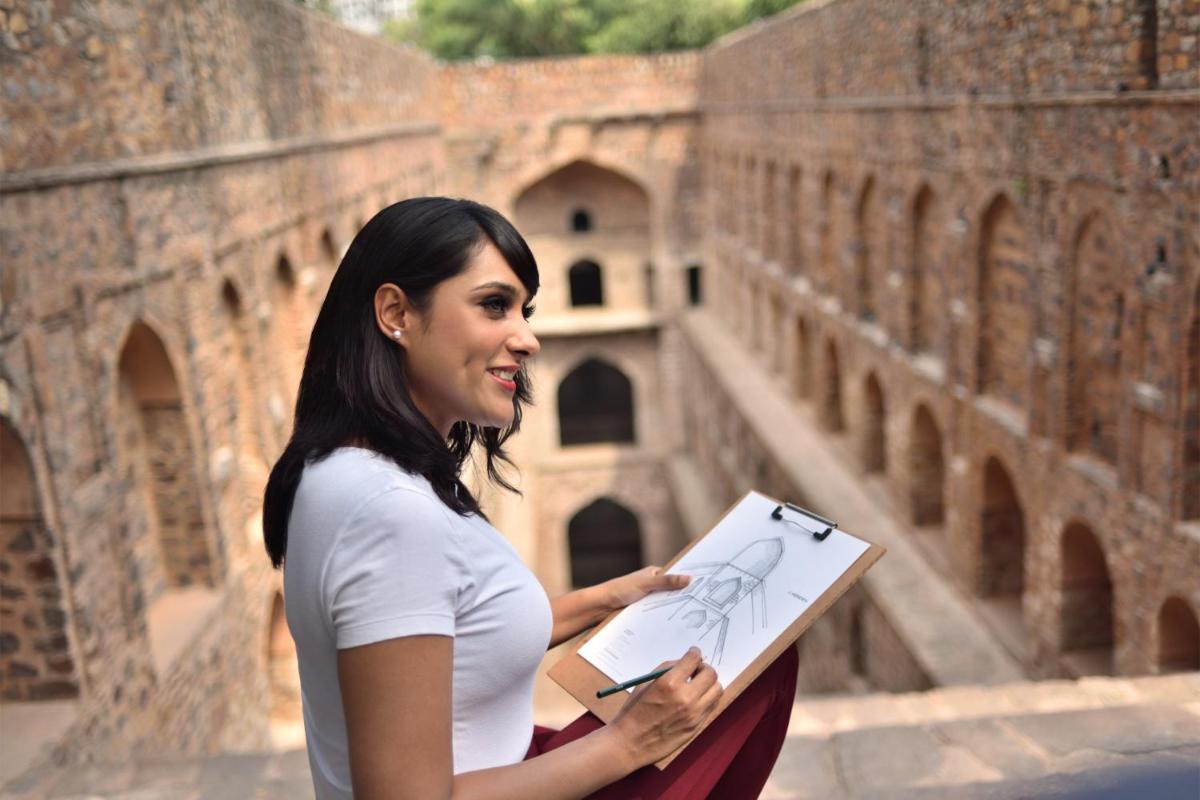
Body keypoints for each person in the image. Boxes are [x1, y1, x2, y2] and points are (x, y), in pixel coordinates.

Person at [263, 197, 798, 799]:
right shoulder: (391, 514)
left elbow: (453, 633)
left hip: (509, 766)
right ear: (396, 313)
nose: (527, 339)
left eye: (525, 310)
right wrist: (629, 743)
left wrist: (603, 600)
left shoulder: (334, 467)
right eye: (494, 306)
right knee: (759, 665)